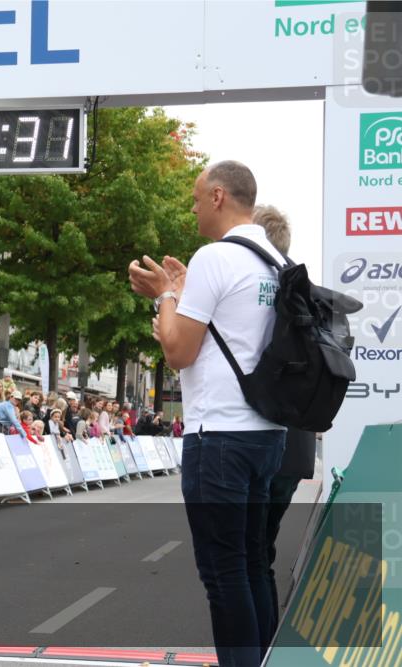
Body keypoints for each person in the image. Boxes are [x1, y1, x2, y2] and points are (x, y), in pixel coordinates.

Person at [129, 160, 287, 667]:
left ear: (219, 196)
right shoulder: (274, 259)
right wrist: (181, 293)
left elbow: (177, 350)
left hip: (218, 432)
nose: (194, 208)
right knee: (254, 564)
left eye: (197, 199)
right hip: (266, 432)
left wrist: (167, 295)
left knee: (224, 574)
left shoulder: (216, 258)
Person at [253, 203, 318, 645]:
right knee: (261, 552)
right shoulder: (304, 289)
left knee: (243, 557)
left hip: (261, 437)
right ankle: (264, 640)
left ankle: (255, 644)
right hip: (295, 442)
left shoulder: (256, 287)